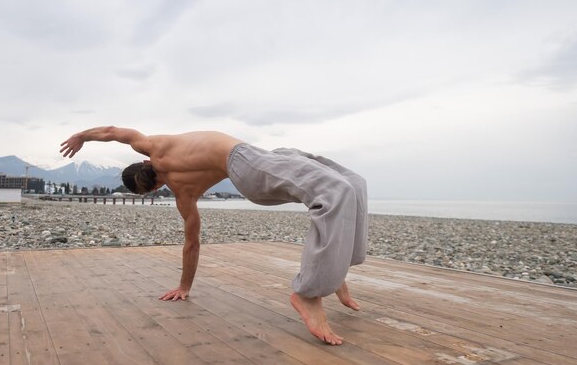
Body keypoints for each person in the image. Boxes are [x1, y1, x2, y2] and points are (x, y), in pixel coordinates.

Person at [60, 126, 368, 345]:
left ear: (151, 188)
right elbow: (114, 132)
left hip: (257, 157)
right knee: (335, 191)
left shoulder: (182, 196)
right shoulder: (152, 147)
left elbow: (192, 244)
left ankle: (335, 270)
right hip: (247, 163)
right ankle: (309, 293)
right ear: (143, 162)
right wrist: (81, 137)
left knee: (352, 183)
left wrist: (184, 286)